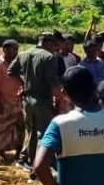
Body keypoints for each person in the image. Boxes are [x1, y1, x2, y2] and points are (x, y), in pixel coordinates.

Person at [9, 34, 64, 170]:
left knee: (31, 131)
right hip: (42, 100)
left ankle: (30, 161)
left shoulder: (24, 54)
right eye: (54, 45)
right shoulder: (49, 57)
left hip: (27, 100)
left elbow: (11, 72)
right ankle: (42, 164)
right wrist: (60, 97)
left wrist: (23, 85)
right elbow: (53, 81)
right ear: (49, 43)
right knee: (44, 133)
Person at [0, 40, 24, 165]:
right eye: (12, 49)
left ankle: (19, 154)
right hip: (2, 100)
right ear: (5, 50)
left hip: (17, 101)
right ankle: (1, 154)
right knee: (1, 129)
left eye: (16, 49)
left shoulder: (19, 63)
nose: (14, 52)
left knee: (20, 127)